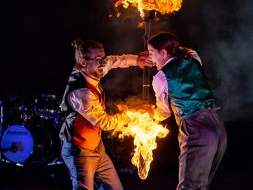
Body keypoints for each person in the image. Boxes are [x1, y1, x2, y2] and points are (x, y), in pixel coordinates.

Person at [59, 38, 148, 190]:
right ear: (83, 62)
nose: (103, 63)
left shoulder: (94, 67)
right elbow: (105, 122)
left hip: (96, 147)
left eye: (103, 58)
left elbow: (115, 60)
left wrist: (137, 60)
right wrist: (131, 115)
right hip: (79, 150)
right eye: (99, 59)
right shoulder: (82, 92)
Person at [147, 32, 227, 190]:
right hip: (217, 128)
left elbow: (164, 113)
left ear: (163, 52)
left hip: (196, 129)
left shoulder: (160, 77)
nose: (150, 58)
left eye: (151, 53)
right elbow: (186, 51)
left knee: (189, 187)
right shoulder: (193, 58)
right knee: (201, 186)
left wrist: (149, 114)